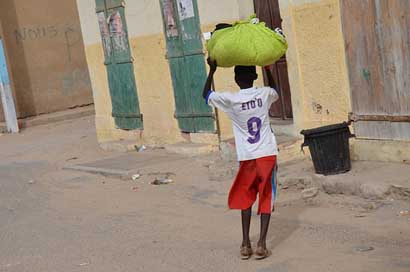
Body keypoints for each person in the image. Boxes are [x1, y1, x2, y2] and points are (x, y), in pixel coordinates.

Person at [202, 59, 279, 260]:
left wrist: (212, 70)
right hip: (266, 154)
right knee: (266, 196)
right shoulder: (264, 94)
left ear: (236, 79)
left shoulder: (230, 99)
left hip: (246, 156)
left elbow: (205, 95)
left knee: (247, 195)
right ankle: (261, 244)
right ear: (254, 77)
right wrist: (268, 68)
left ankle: (246, 244)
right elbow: (275, 90)